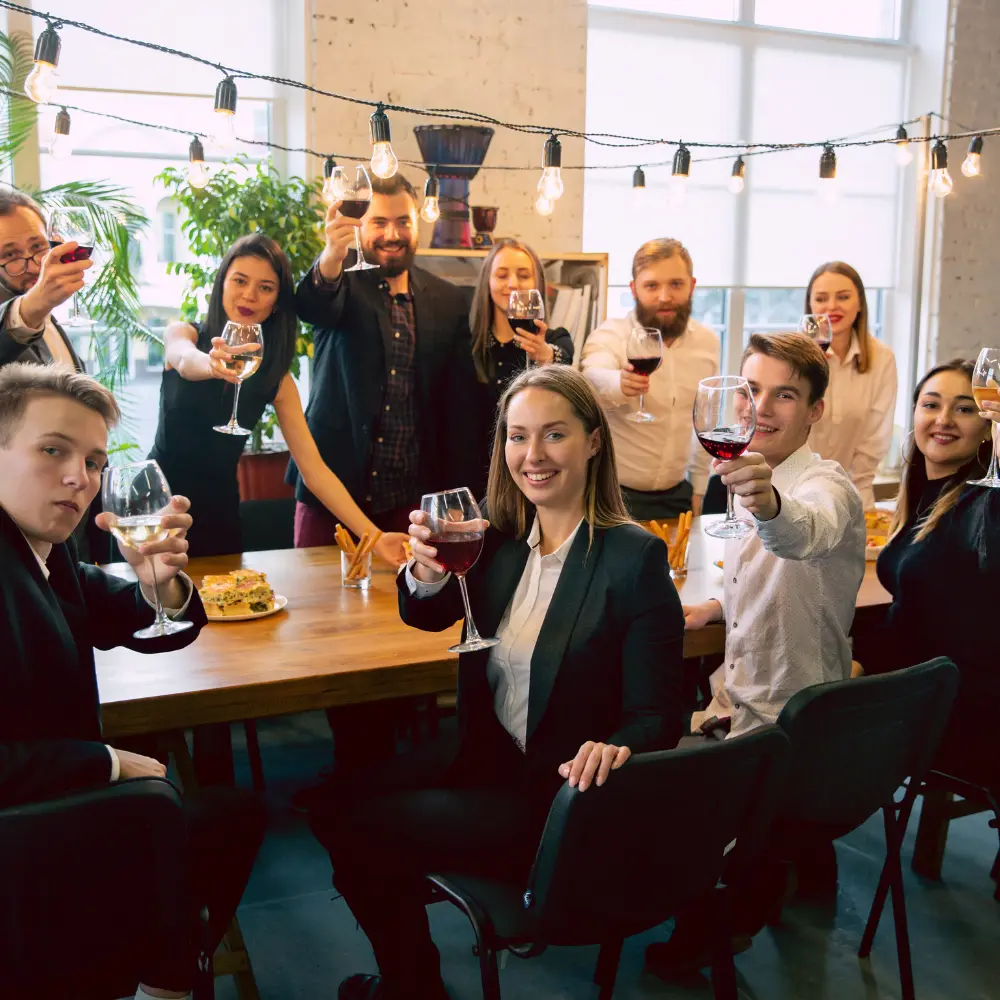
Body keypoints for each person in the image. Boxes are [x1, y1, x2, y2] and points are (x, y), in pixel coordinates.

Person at [308, 364, 686, 1000]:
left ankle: (412, 984)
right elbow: (427, 614)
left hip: (554, 796)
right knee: (325, 805)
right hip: (482, 758)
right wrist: (423, 572)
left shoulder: (634, 557)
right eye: (516, 436)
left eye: (554, 435)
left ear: (595, 441)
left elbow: (658, 716)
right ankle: (411, 950)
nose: (531, 456)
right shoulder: (497, 533)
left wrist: (616, 746)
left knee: (358, 832)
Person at [0, 362, 265, 1000]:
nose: (79, 479)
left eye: (94, 462)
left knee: (222, 816)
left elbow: (121, 611)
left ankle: (159, 963)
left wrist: (160, 584)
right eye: (53, 450)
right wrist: (106, 763)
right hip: (24, 847)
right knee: (186, 814)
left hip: (53, 816)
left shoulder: (43, 541)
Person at [150, 233, 406, 563]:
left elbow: (315, 472)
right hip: (158, 505)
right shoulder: (185, 334)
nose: (249, 295)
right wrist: (212, 364)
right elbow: (184, 360)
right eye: (239, 281)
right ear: (222, 283)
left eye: (265, 288)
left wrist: (376, 537)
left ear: (276, 303)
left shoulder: (275, 378)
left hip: (219, 515)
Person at [682, 333, 866, 739]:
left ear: (814, 411)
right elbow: (770, 577)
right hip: (732, 707)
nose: (761, 408)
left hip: (793, 731)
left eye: (784, 395)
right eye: (751, 391)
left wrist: (770, 506)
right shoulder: (747, 471)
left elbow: (804, 533)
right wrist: (718, 606)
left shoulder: (829, 486)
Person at [291, 173, 474, 545]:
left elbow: (457, 410)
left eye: (403, 222)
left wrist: (456, 496)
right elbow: (312, 306)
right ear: (361, 226)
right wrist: (331, 257)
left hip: (408, 504)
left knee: (400, 602)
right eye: (379, 222)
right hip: (331, 498)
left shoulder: (449, 300)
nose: (392, 234)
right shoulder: (343, 280)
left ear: (416, 224)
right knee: (317, 602)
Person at [854, 359, 998, 799]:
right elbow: (911, 617)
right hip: (925, 690)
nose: (943, 420)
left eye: (965, 409)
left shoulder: (983, 503)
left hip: (962, 713)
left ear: (989, 424)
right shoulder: (924, 497)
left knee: (793, 727)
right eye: (930, 404)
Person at [581, 237, 719, 520]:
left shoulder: (708, 343)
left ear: (692, 286)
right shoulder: (611, 335)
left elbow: (707, 421)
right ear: (634, 289)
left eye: (676, 284)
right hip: (613, 497)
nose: (665, 296)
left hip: (679, 494)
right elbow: (591, 378)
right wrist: (618, 383)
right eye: (652, 286)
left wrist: (700, 487)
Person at [464, 236, 575, 491]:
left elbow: (562, 361)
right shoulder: (464, 344)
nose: (512, 284)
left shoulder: (556, 339)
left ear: (537, 284)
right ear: (487, 283)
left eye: (523, 275)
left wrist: (546, 358)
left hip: (535, 481)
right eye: (502, 275)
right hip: (474, 483)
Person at [805, 261, 898, 509]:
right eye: (821, 298)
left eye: (843, 297)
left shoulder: (882, 358)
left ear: (859, 304)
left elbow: (876, 437)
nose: (832, 306)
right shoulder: (794, 359)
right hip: (797, 491)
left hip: (855, 494)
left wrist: (849, 493)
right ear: (811, 306)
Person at [0, 189, 89, 371]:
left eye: (38, 246)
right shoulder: (28, 313)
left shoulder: (48, 319)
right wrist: (35, 304)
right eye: (10, 254)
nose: (35, 267)